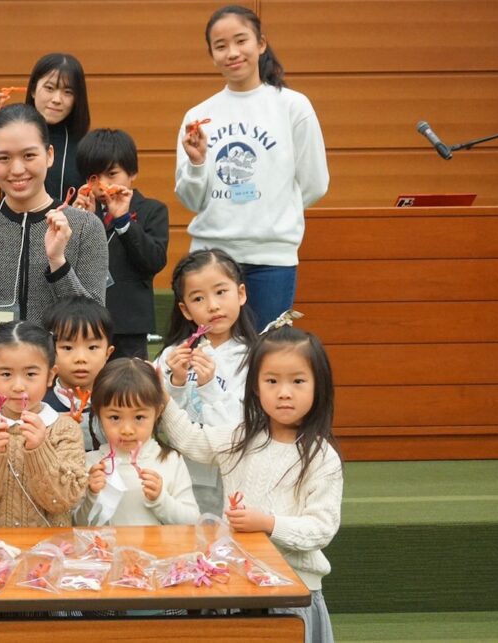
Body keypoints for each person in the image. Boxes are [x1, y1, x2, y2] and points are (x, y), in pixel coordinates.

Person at [162, 323, 342, 643]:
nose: (284, 392)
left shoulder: (321, 457)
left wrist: (268, 524)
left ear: (319, 387)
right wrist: (162, 396)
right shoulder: (241, 437)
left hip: (292, 593)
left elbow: (322, 528)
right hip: (237, 588)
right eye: (272, 381)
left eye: (298, 381)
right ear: (256, 387)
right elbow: (190, 440)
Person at [176, 5, 329, 331]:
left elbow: (315, 182)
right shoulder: (199, 116)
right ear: (212, 55)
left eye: (240, 41)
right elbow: (190, 200)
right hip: (211, 259)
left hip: (271, 261)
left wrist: (272, 211)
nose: (232, 52)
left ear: (261, 44)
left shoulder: (293, 107)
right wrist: (198, 162)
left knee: (266, 361)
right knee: (209, 360)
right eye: (220, 46)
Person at [0, 103, 108, 392]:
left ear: (50, 155)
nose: (17, 169)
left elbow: (93, 324)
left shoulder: (84, 227)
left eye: (29, 155)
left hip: (57, 379)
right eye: (3, 158)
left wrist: (58, 263)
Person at [0, 321, 87, 527]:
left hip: (45, 549)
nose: (18, 386)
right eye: (6, 374)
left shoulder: (65, 429)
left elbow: (64, 501)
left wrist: (40, 450)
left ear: (50, 375)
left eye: (31, 374)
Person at [153, 248, 257, 515]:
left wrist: (210, 385)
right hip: (183, 473)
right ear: (185, 310)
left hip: (235, 473)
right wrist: (174, 382)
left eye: (221, 292)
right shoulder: (172, 357)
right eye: (198, 298)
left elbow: (241, 425)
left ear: (241, 293)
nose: (212, 305)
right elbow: (161, 423)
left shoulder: (257, 358)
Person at [73, 128, 170, 360]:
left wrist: (124, 220)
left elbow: (153, 261)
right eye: (93, 177)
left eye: (112, 174)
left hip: (129, 324)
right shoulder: (80, 212)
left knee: (128, 388)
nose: (103, 184)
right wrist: (84, 222)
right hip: (85, 321)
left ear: (132, 173)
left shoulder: (152, 210)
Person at [75, 358, 198, 527]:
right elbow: (76, 525)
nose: (127, 429)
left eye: (139, 417)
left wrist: (160, 499)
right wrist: (91, 495)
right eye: (115, 417)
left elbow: (192, 521)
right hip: (106, 553)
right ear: (98, 414)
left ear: (157, 412)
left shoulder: (170, 460)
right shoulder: (89, 464)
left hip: (158, 553)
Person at [0, 52, 90, 201]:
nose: (57, 99)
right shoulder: (12, 133)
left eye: (68, 92)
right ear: (33, 90)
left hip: (67, 223)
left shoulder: (86, 146)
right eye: (49, 88)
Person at [42, 295, 113, 450]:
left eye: (92, 347)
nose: (81, 358)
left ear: (108, 353)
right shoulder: (40, 408)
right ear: (49, 352)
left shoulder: (117, 403)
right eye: (67, 348)